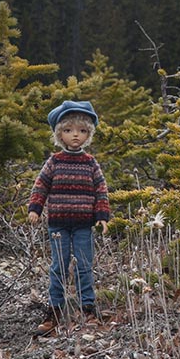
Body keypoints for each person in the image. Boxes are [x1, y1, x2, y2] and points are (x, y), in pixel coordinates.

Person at [28, 100, 110, 335]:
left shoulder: (90, 163)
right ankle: (54, 310)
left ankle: (88, 308)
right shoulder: (54, 162)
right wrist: (35, 208)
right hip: (58, 224)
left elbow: (100, 189)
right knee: (58, 267)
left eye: (82, 131)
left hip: (84, 224)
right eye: (69, 130)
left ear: (89, 134)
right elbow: (41, 185)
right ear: (59, 134)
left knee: (85, 266)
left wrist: (102, 215)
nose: (75, 135)